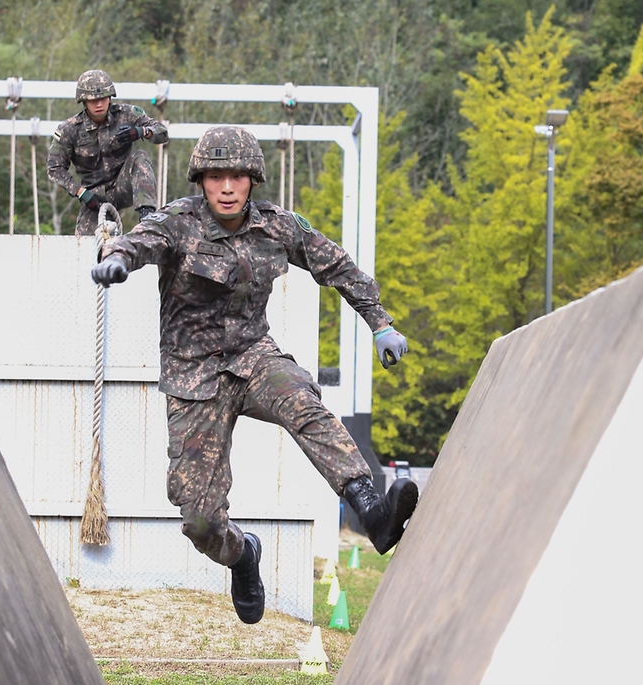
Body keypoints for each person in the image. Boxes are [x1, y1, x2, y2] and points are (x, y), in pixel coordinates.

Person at [91, 125, 416, 624]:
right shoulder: (179, 221)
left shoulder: (278, 226)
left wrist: (380, 323)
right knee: (198, 518)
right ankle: (243, 556)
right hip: (194, 380)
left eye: (237, 177)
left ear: (252, 181)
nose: (226, 188)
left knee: (304, 402)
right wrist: (115, 257)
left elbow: (337, 265)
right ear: (201, 180)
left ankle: (371, 510)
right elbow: (138, 242)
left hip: (254, 359)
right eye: (216, 177)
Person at [47, 69, 169, 236]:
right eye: (93, 100)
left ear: (110, 97)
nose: (99, 104)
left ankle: (146, 215)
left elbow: (162, 133)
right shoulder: (70, 130)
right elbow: (54, 168)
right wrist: (81, 192)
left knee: (140, 157)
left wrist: (141, 131)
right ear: (84, 101)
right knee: (84, 248)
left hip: (124, 185)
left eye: (103, 98)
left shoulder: (127, 114)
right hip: (93, 197)